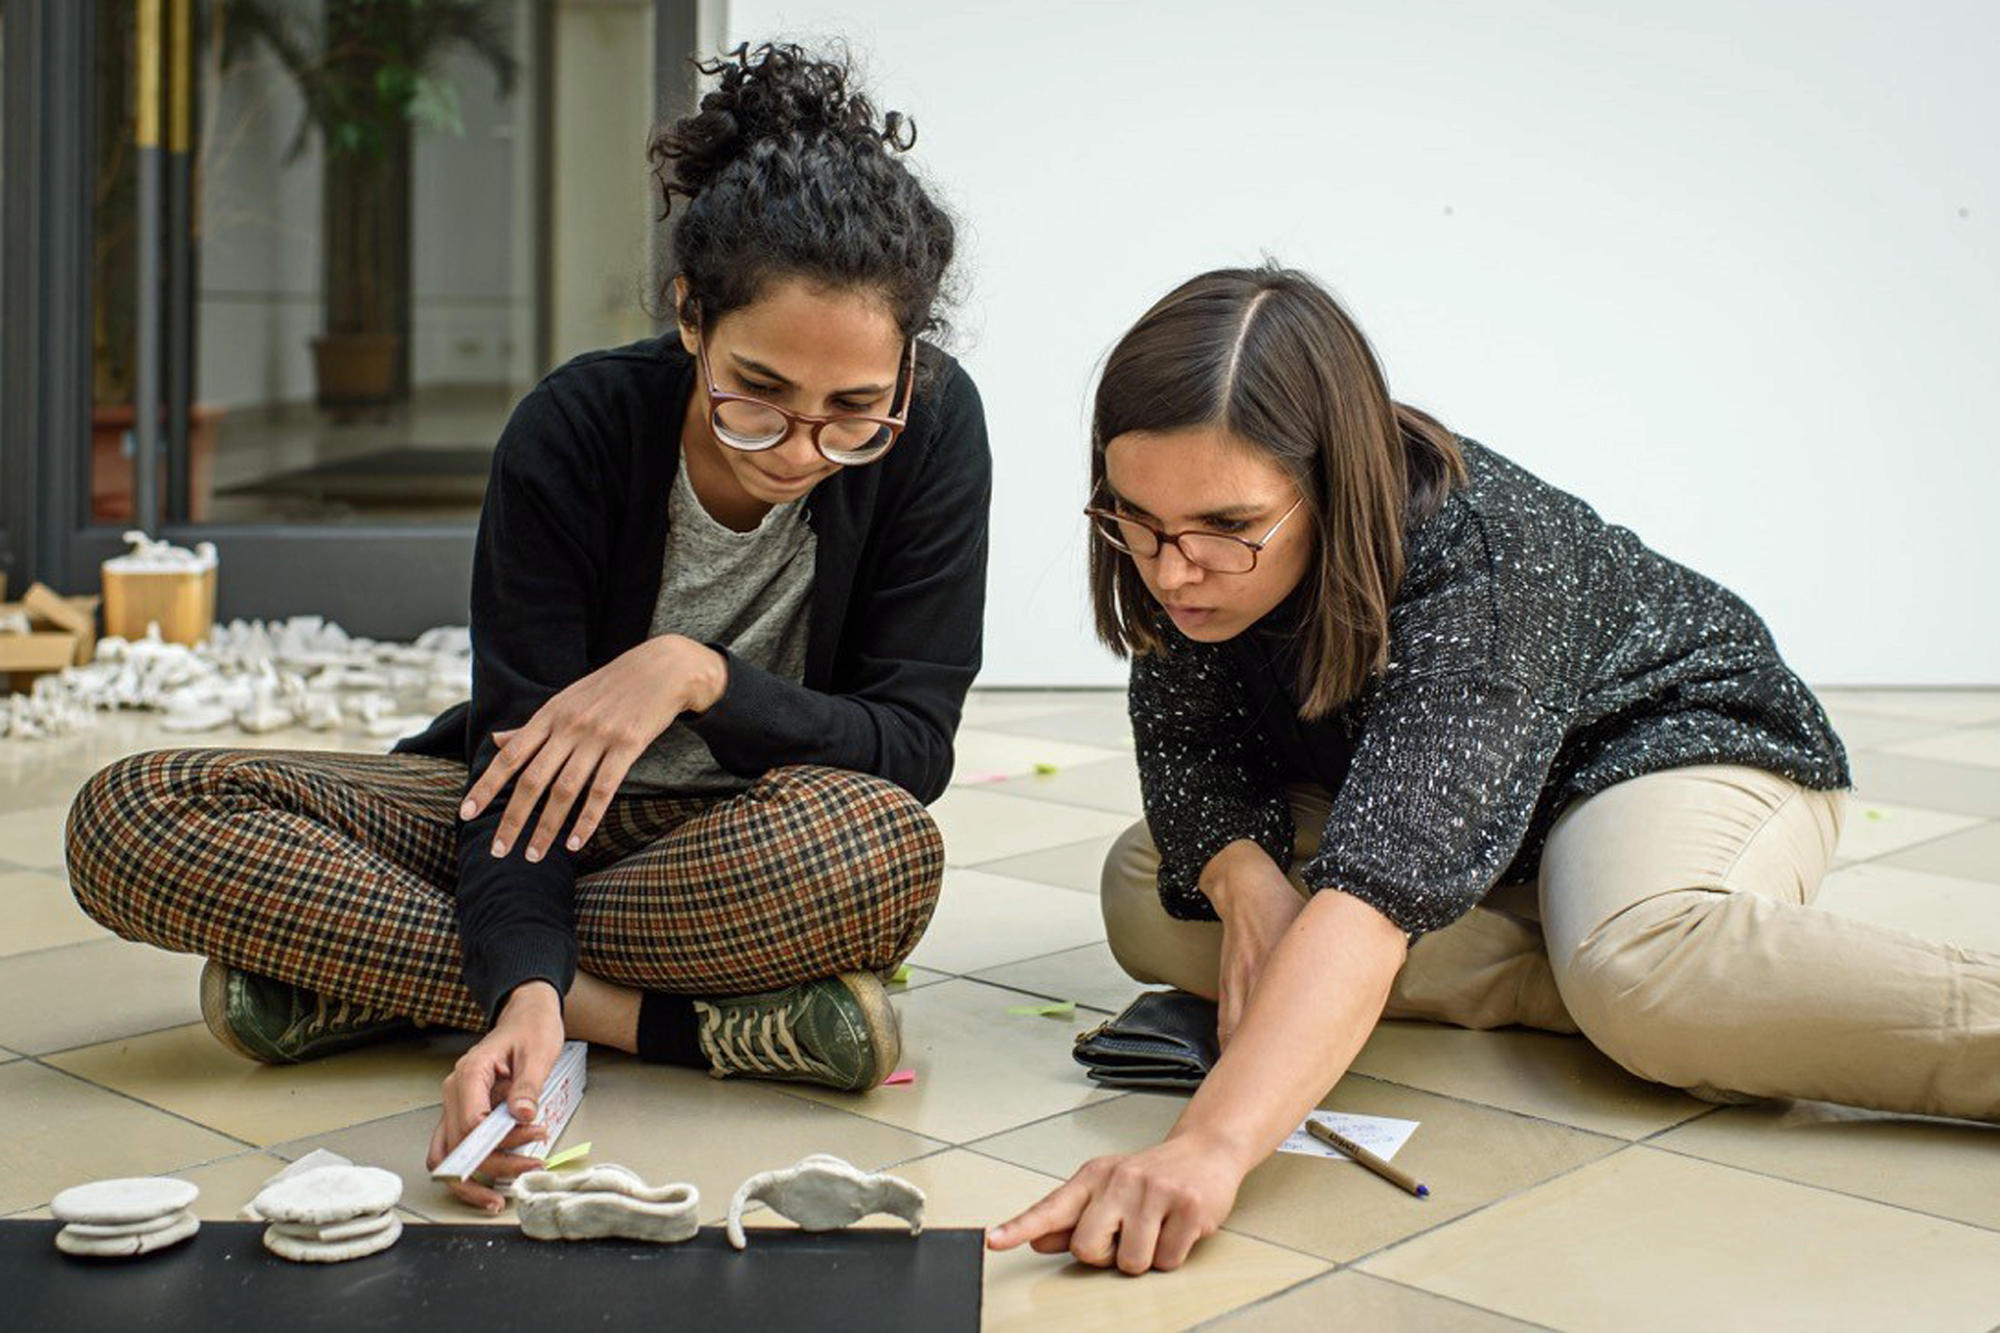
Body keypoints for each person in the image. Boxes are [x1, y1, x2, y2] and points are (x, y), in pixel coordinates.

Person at [66, 42, 988, 1213]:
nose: (805, 449)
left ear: (905, 366)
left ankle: (373, 976)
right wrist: (531, 992)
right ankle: (648, 1019)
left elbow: (911, 742)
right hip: (534, 819)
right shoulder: (576, 428)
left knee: (879, 852)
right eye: (757, 393)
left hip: (744, 840)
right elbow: (514, 775)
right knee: (137, 813)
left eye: (853, 409)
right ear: (691, 320)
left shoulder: (936, 427)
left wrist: (696, 672)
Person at [988, 263, 1998, 1274]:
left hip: (1668, 747)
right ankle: (1578, 970)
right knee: (1148, 887)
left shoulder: (1483, 557)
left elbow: (1376, 887)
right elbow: (1195, 757)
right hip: (1468, 827)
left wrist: (1206, 1148)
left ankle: (1620, 973)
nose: (1170, 570)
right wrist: (1248, 889)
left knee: (1642, 972)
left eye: (1228, 529)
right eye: (1137, 520)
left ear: (1330, 480)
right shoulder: (1178, 543)